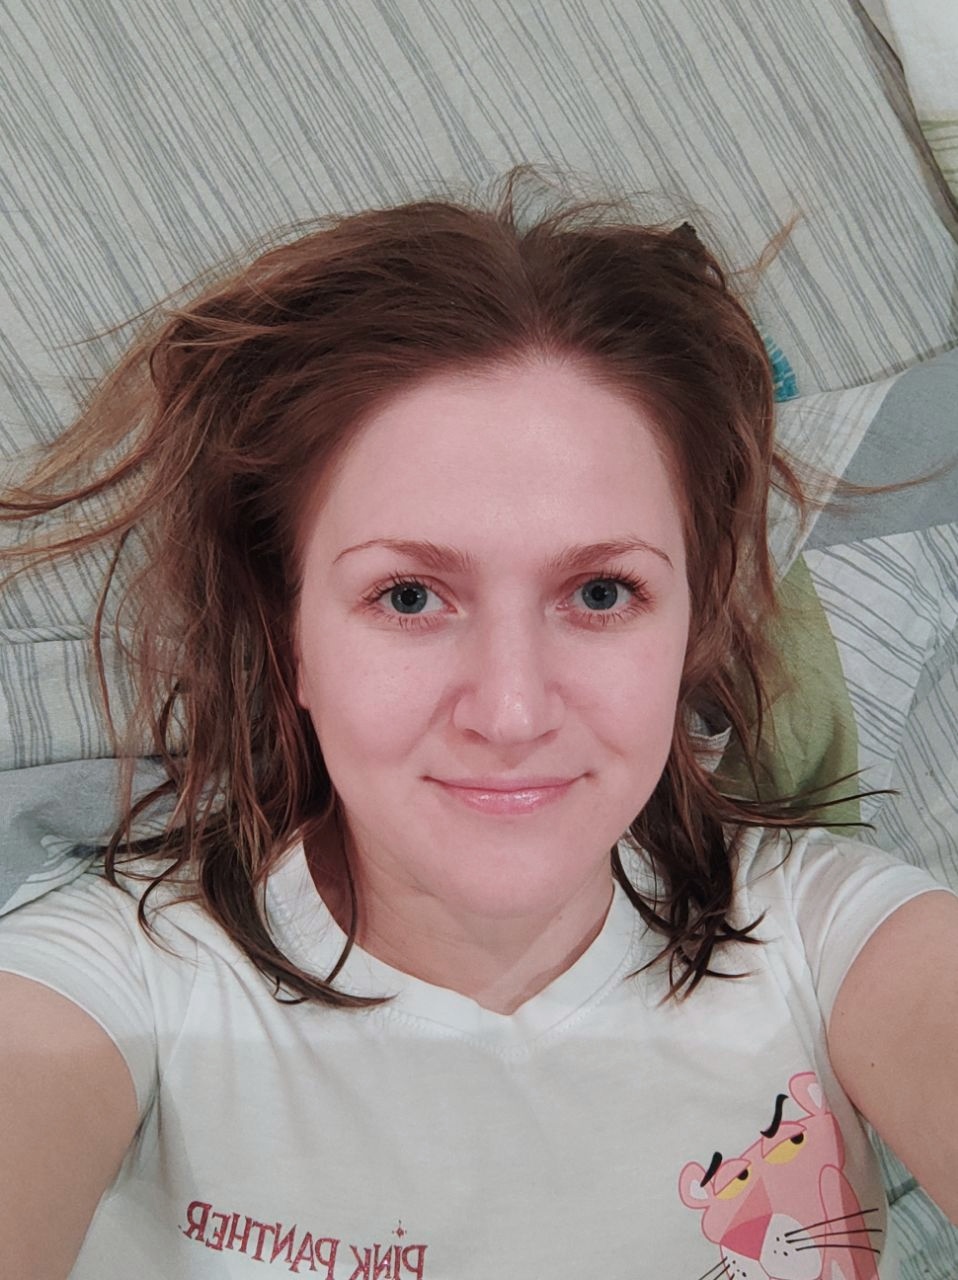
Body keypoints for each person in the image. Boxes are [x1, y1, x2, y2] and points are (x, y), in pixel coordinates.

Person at [0, 172, 955, 1280]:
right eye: (409, 596)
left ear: (691, 622)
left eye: (601, 592)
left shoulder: (837, 940)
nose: (510, 712)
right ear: (290, 635)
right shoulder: (110, 988)